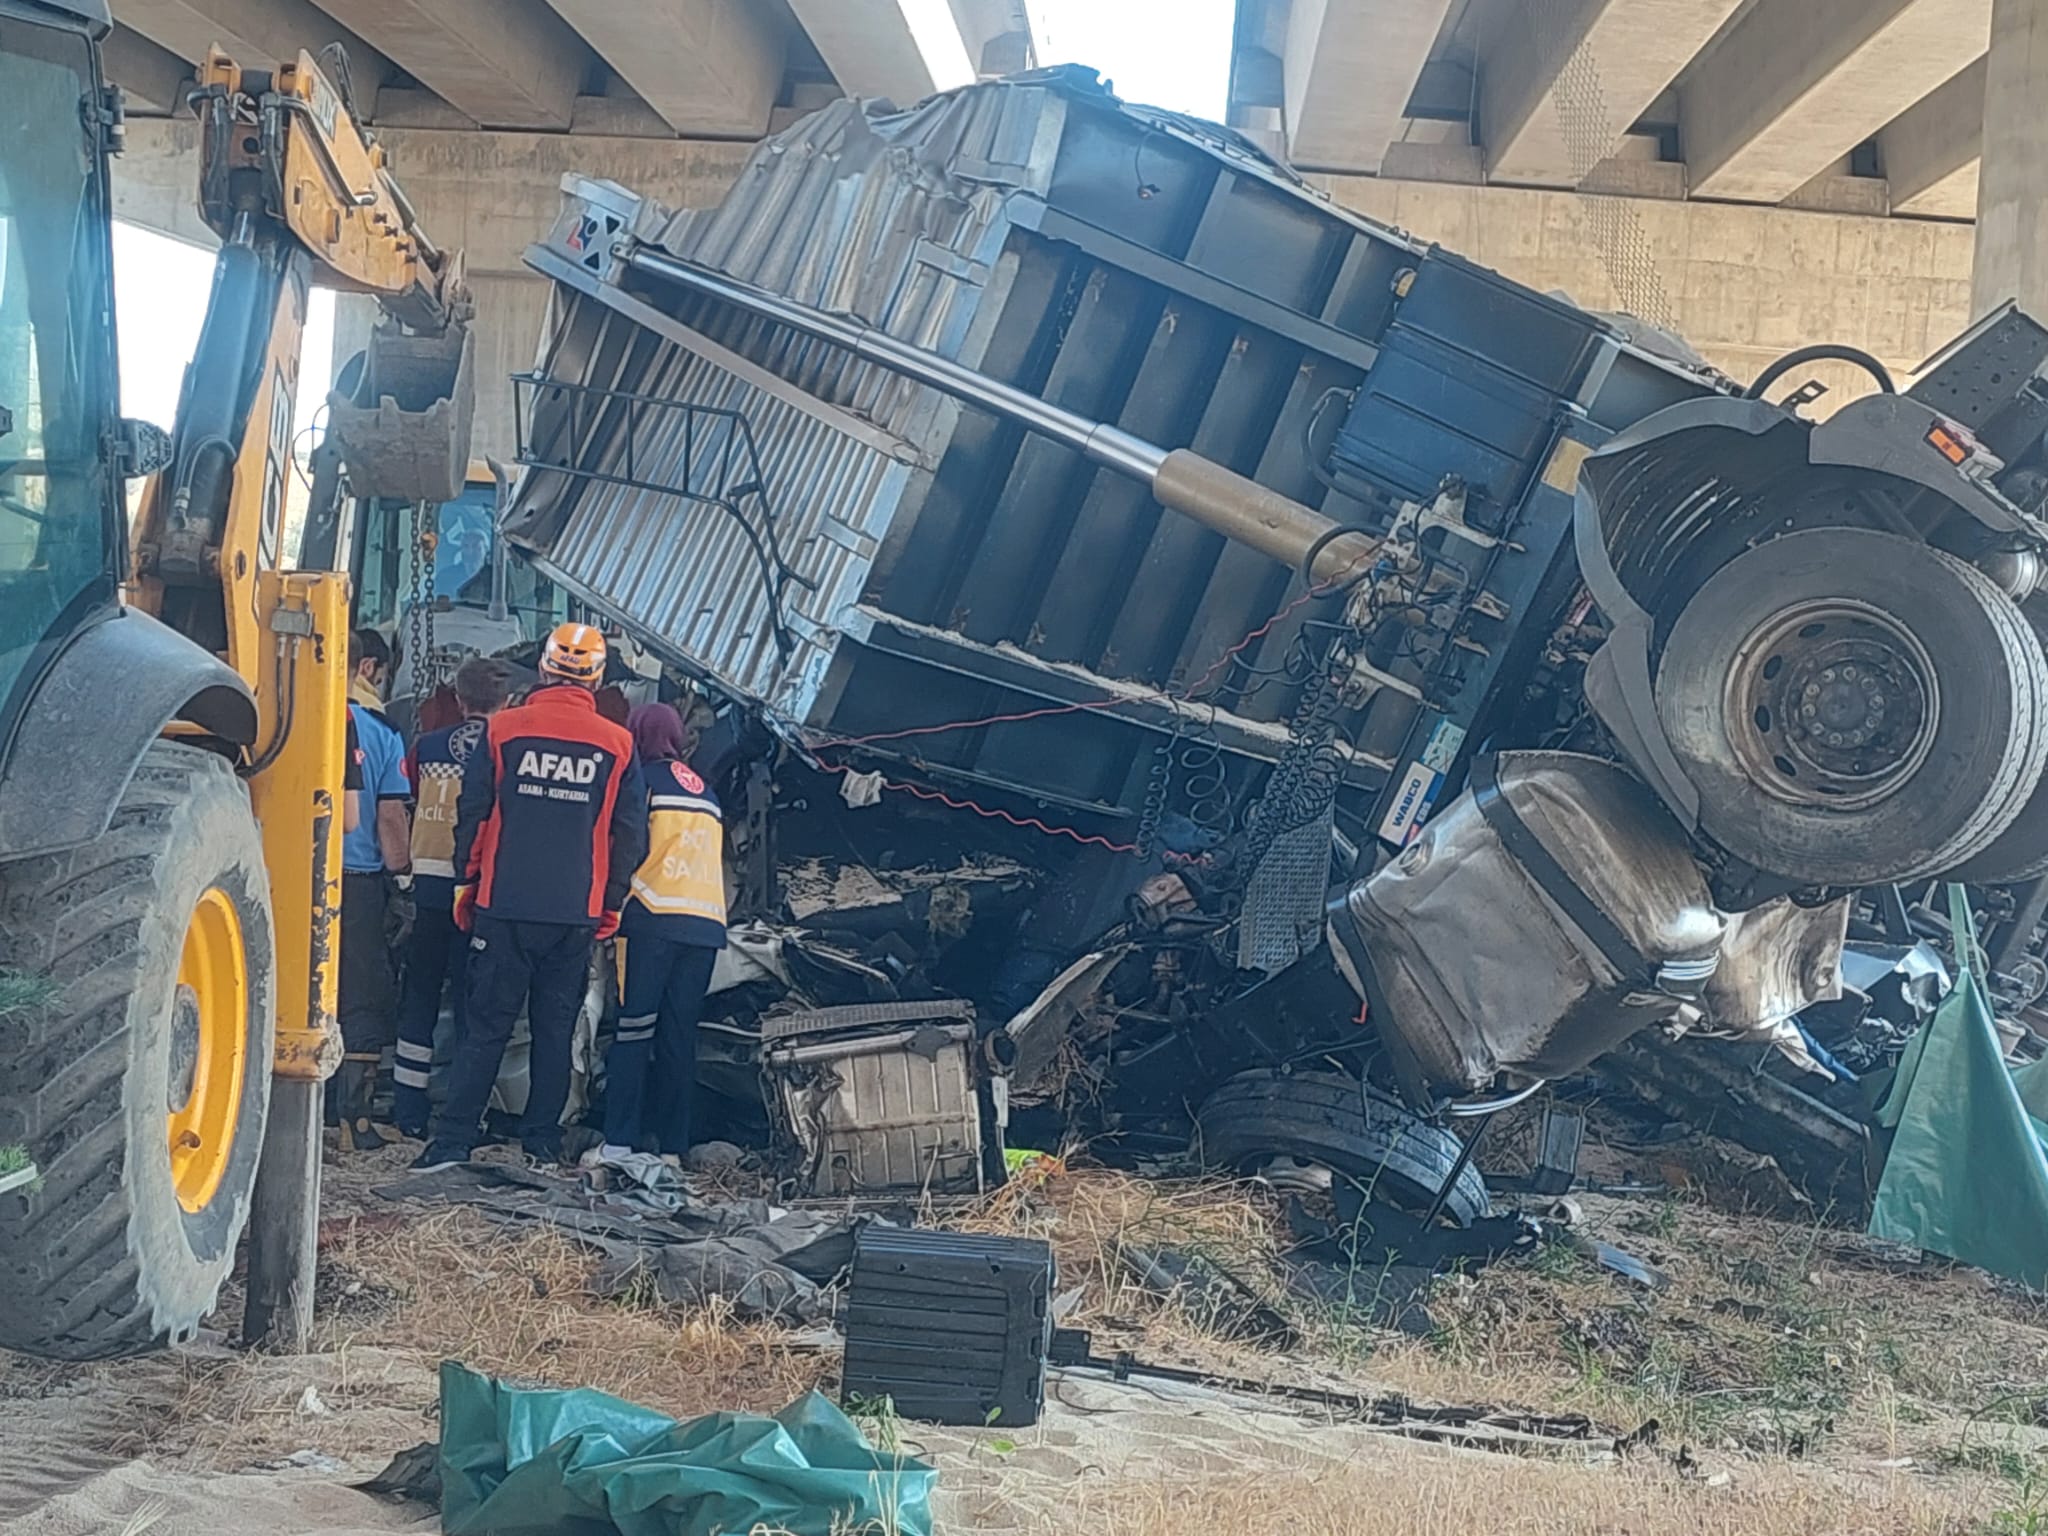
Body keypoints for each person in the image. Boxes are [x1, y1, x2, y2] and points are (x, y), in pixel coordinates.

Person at [414, 623, 648, 1170]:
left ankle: (452, 1142)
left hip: (504, 904)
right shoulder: (618, 744)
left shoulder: (503, 731)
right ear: (597, 677)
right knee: (555, 1031)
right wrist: (610, 904)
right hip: (576, 912)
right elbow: (630, 834)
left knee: (486, 1028)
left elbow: (471, 816)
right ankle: (540, 1143)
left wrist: (466, 884)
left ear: (544, 669)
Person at [593, 703, 728, 1164]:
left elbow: (626, 847)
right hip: (705, 928)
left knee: (633, 1032)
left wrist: (607, 908)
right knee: (678, 1038)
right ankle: (673, 1148)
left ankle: (618, 1143)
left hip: (650, 919)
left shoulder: (641, 783)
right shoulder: (706, 792)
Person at [391, 656, 511, 1138]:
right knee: (471, 1003)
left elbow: (411, 798)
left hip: (428, 887)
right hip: (477, 891)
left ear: (458, 700)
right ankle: (465, 1115)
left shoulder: (428, 746)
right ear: (506, 703)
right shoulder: (507, 749)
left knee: (419, 995)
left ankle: (408, 1110)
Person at [339, 628, 414, 1151]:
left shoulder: (278, 715)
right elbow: (390, 818)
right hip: (356, 884)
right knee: (361, 999)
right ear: (367, 669)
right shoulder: (380, 732)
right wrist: (404, 877)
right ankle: (354, 1122)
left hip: (279, 878)